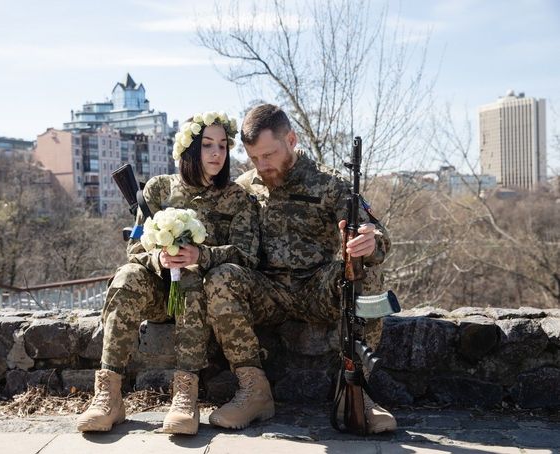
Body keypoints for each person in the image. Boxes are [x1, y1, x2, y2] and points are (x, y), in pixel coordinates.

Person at [204, 104, 396, 433]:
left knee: (365, 272)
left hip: (317, 288)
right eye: (254, 158)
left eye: (268, 155)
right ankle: (253, 391)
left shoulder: (330, 184)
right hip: (267, 291)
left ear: (290, 139)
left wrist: (371, 242)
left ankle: (356, 390)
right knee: (221, 278)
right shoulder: (245, 187)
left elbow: (379, 235)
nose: (262, 166)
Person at [76, 111, 259, 436]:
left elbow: (247, 255)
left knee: (189, 273)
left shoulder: (237, 198)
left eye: (222, 146)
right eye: (207, 145)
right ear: (190, 149)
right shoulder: (159, 189)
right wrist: (161, 258)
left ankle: (185, 395)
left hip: (206, 295)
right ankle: (109, 394)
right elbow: (135, 249)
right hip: (161, 293)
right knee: (126, 276)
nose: (217, 153)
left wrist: (200, 255)